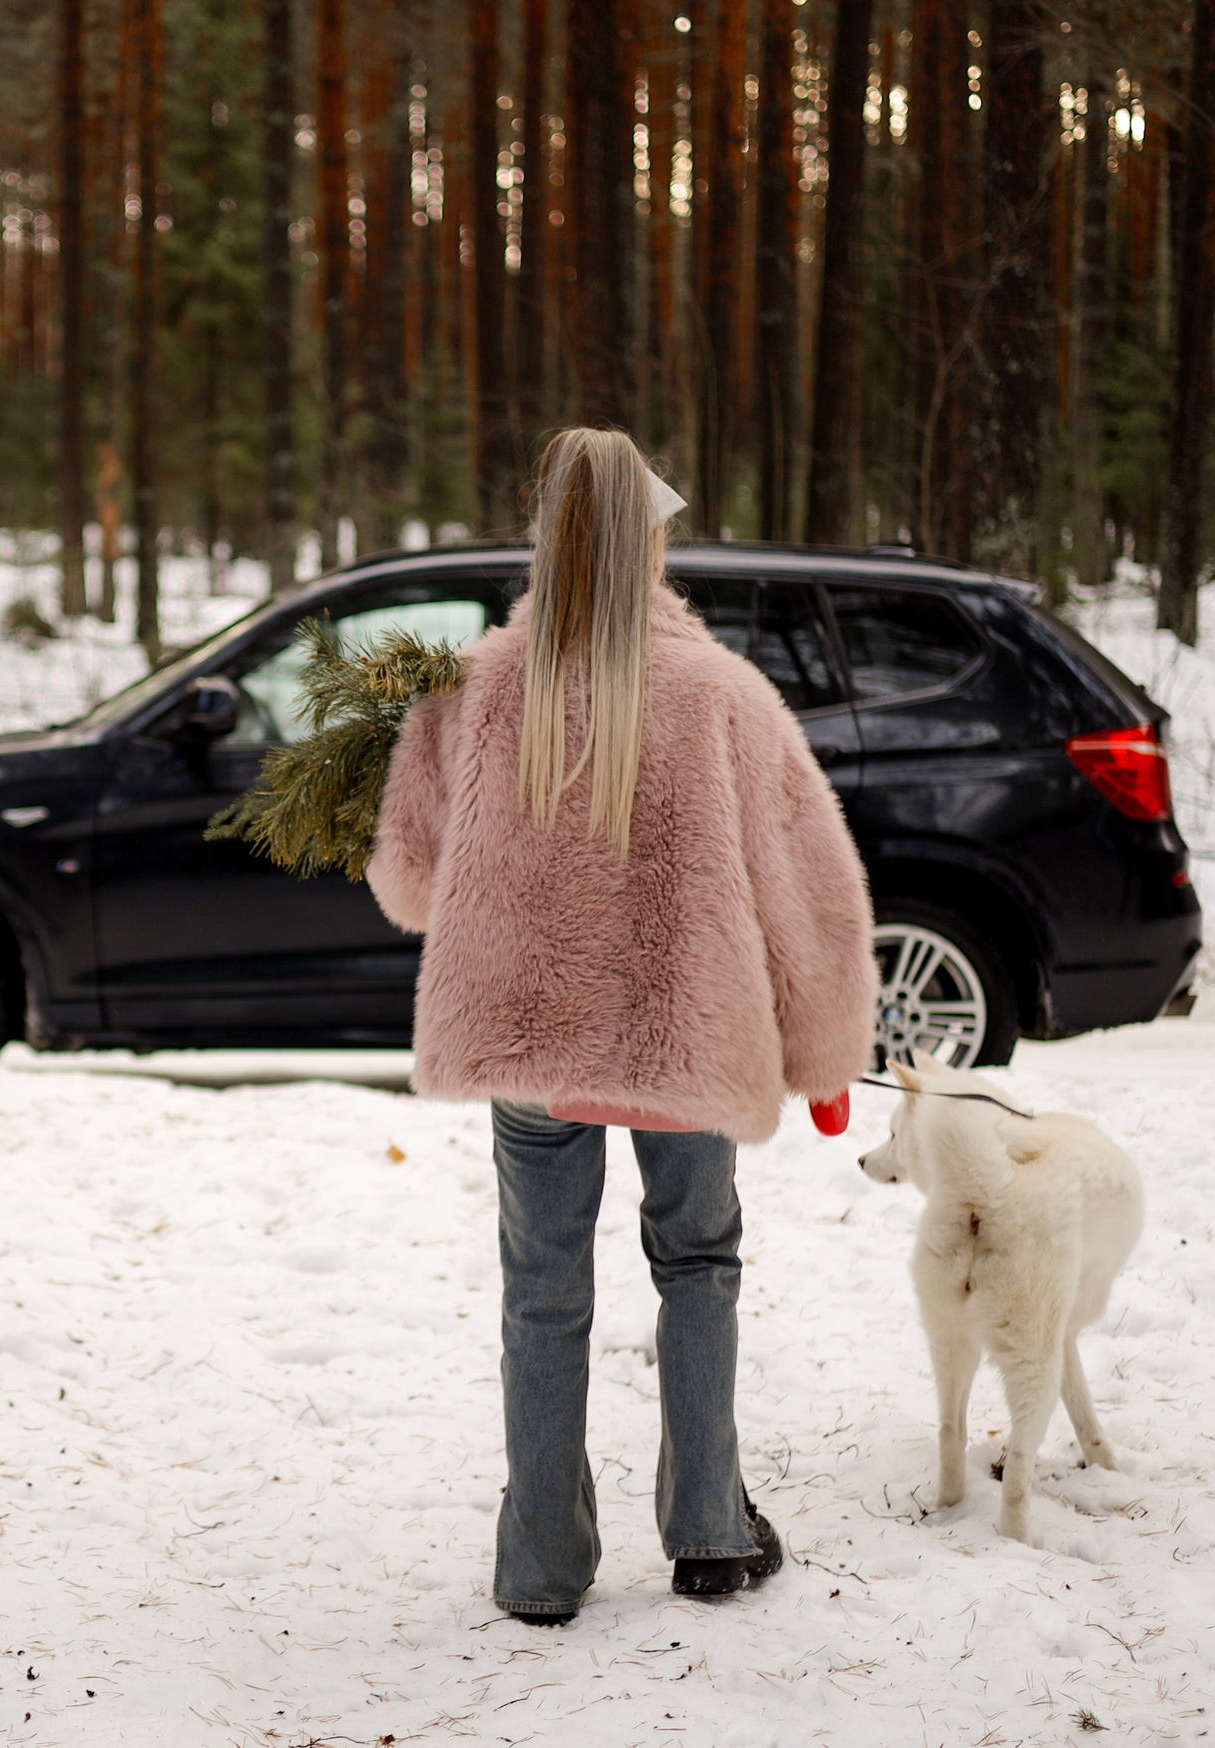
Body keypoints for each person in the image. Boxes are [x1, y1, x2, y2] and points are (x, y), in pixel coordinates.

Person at [367, 427, 878, 1626]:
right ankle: (707, 1529)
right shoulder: (722, 695)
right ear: (651, 545)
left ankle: (540, 1560)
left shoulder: (482, 685)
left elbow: (408, 881)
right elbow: (802, 888)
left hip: (533, 1047)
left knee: (540, 1289)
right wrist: (821, 1048)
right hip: (684, 1044)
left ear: (550, 539)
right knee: (697, 1263)